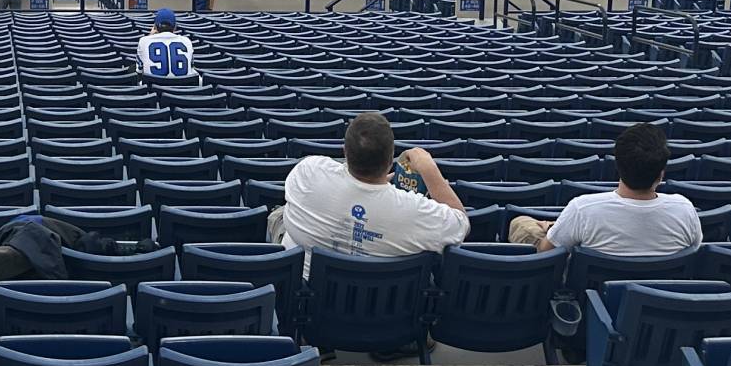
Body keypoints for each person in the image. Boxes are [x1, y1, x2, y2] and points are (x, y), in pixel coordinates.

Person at [280, 110, 468, 260]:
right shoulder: (415, 210)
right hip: (384, 302)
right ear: (390, 160)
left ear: (345, 152)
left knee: (279, 214)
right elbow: (461, 224)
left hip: (306, 293)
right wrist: (429, 169)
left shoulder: (309, 170)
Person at [509, 123, 702, 255]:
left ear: (617, 167)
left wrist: (551, 229)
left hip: (591, 299)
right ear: (661, 174)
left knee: (521, 223)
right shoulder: (684, 209)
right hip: (660, 302)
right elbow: (693, 249)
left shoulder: (583, 208)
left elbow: (546, 252)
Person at [138, 7, 194, 79]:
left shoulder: (143, 41)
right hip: (181, 88)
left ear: (155, 27)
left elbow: (139, 71)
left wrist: (150, 35)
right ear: (175, 27)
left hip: (153, 89)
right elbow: (191, 69)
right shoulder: (187, 41)